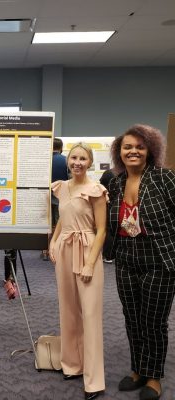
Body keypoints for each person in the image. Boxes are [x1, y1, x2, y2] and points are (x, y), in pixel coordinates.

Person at [107, 124, 175, 400]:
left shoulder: (164, 178)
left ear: (150, 150)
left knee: (154, 321)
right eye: (127, 147)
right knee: (132, 318)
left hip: (159, 259)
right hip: (125, 258)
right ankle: (138, 369)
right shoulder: (114, 182)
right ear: (119, 152)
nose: (133, 151)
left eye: (139, 147)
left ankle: (154, 376)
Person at [49, 142, 107, 400]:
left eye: (83, 158)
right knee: (68, 310)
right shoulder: (62, 187)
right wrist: (53, 240)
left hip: (87, 250)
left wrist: (90, 263)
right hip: (64, 249)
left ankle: (94, 381)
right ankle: (72, 365)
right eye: (74, 157)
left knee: (91, 316)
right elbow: (64, 216)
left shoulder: (95, 190)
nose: (77, 162)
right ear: (67, 160)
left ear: (90, 162)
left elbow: (102, 230)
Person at [43, 138, 69, 260]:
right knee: (61, 224)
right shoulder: (66, 161)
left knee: (47, 225)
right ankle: (57, 250)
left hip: (45, 197)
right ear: (61, 147)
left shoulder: (44, 161)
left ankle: (45, 250)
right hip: (61, 197)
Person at [99, 168, 116, 263]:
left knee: (109, 229)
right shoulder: (125, 172)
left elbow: (101, 186)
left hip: (109, 203)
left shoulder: (108, 172)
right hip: (122, 203)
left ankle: (108, 256)